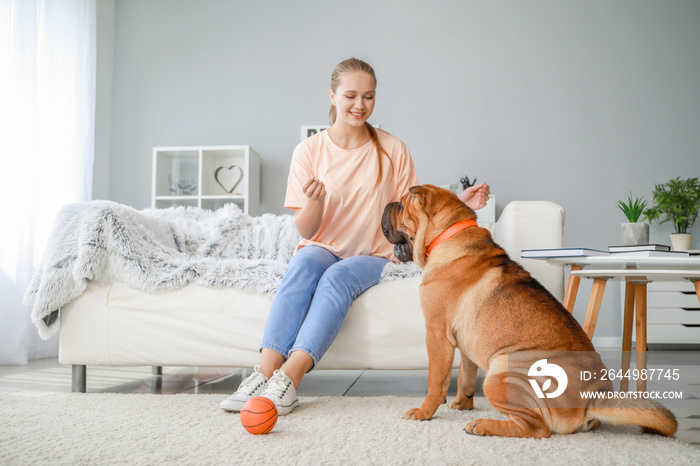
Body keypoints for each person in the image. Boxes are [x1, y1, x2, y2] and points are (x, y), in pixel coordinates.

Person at [221, 58, 490, 415]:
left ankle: (288, 380)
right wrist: (314, 202)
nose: (359, 105)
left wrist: (457, 201)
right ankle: (263, 372)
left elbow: (411, 210)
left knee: (337, 277)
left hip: (374, 255)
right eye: (350, 96)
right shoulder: (309, 152)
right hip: (321, 245)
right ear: (332, 96)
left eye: (368, 96)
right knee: (303, 263)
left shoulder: (393, 149)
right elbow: (305, 230)